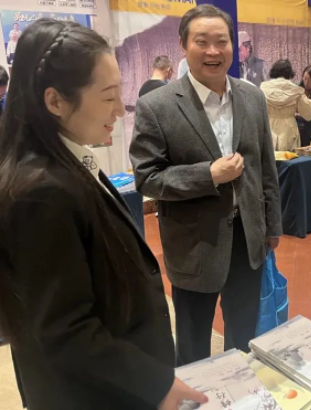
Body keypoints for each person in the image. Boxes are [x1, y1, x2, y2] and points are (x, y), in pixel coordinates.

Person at [0, 19, 207, 409]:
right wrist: (155, 384)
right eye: (108, 96)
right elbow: (65, 329)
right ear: (55, 101)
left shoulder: (67, 163)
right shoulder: (42, 193)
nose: (119, 109)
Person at [129, 5, 282, 366]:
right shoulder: (156, 106)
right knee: (193, 343)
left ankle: (239, 388)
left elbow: (265, 166)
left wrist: (272, 226)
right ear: (183, 45)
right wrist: (208, 175)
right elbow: (147, 177)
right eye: (202, 42)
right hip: (194, 244)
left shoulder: (252, 97)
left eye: (221, 41)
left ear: (233, 45)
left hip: (249, 239)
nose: (213, 51)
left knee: (243, 335)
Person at [260, 59, 311, 151]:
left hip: (269, 126)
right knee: (289, 157)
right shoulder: (296, 90)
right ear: (290, 73)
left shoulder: (263, 87)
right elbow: (309, 114)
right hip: (289, 129)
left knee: (269, 156)